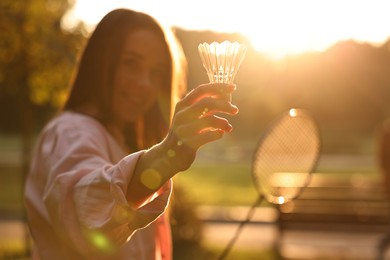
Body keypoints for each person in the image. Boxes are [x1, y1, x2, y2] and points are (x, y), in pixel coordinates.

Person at [24, 8, 239, 260]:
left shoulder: (121, 139)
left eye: (156, 72)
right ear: (100, 62)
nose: (145, 83)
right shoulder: (71, 130)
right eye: (131, 64)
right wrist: (165, 159)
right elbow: (83, 200)